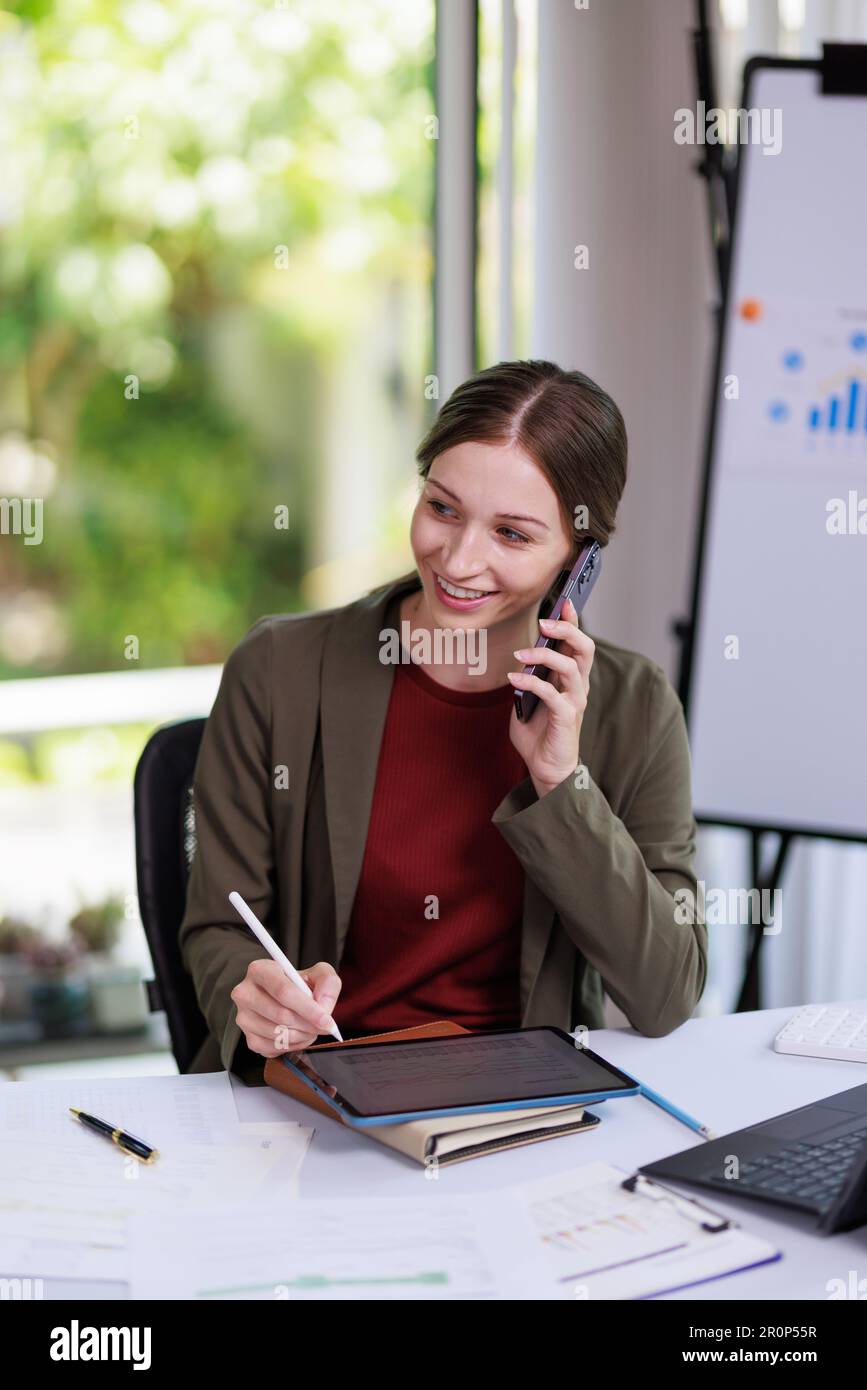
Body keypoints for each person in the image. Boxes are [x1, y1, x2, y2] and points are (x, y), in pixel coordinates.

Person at [179, 359, 706, 1083]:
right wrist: (257, 999)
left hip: (522, 1102)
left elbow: (664, 993)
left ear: (578, 561)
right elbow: (220, 924)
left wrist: (559, 781)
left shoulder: (634, 705)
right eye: (443, 508)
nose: (458, 560)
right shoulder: (278, 668)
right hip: (311, 1088)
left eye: (512, 535)